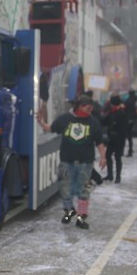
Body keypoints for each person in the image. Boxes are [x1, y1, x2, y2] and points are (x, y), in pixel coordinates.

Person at [37, 94, 107, 229]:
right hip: (67, 162)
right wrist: (40, 122)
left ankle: (81, 218)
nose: (90, 110)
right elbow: (50, 128)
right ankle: (69, 211)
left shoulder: (93, 122)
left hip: (85, 164)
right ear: (79, 106)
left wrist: (103, 157)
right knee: (64, 189)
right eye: (88, 107)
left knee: (84, 191)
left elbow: (99, 142)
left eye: (91, 108)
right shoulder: (65, 119)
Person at [102, 94, 129, 183]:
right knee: (108, 155)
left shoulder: (121, 113)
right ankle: (110, 175)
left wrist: (117, 134)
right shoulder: (112, 112)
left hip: (119, 140)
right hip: (111, 139)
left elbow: (124, 128)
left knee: (117, 157)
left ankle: (118, 177)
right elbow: (105, 121)